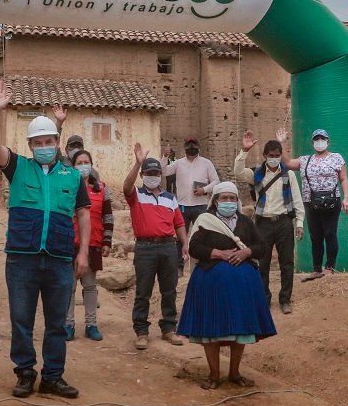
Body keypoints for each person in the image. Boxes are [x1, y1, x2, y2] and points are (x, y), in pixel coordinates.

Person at [0, 80, 90, 399]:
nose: (43, 146)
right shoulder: (17, 167)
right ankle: (25, 372)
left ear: (57, 142)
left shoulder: (72, 176)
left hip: (60, 259)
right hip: (22, 258)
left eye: (49, 140)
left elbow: (83, 214)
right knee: (22, 319)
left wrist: (83, 252)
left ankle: (53, 376)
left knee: (57, 322)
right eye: (38, 142)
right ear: (30, 146)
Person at [178, 182, 276, 389]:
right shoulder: (205, 221)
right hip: (210, 284)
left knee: (239, 330)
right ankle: (214, 375)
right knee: (211, 330)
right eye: (224, 198)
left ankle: (234, 373)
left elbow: (261, 247)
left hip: (242, 288)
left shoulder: (245, 222)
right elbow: (195, 247)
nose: (229, 202)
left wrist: (245, 252)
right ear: (215, 201)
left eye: (232, 198)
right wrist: (219, 254)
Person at [124, 145, 189, 350]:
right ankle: (141, 332)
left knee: (169, 289)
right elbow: (126, 187)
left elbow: (179, 223)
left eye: (156, 173)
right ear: (143, 175)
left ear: (161, 175)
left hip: (169, 247)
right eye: (149, 173)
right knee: (143, 291)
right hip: (145, 248)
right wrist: (137, 163)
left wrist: (185, 244)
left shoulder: (170, 198)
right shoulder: (136, 195)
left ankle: (169, 328)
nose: (153, 176)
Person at [234, 131, 305, 313]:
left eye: (277, 156)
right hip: (263, 224)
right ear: (265, 156)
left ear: (281, 156)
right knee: (262, 263)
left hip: (283, 222)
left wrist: (299, 223)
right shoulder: (257, 173)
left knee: (287, 263)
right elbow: (238, 172)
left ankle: (285, 299)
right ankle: (264, 298)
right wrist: (244, 150)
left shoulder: (288, 175)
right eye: (271, 156)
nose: (274, 159)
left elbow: (297, 199)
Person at [278, 128, 348, 280]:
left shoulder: (336, 158)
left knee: (330, 234)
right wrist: (282, 143)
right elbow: (288, 162)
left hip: (332, 201)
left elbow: (344, 179)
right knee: (315, 236)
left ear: (328, 141)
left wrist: (346, 198)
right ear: (312, 143)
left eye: (322, 139)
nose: (320, 142)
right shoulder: (305, 160)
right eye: (317, 139)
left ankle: (330, 267)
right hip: (311, 202)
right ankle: (316, 268)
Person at [65, 149, 113, 342]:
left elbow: (107, 216)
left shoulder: (101, 188)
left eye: (86, 161)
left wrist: (107, 241)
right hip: (69, 243)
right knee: (69, 286)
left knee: (90, 286)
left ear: (91, 165)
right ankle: (68, 325)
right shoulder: (67, 187)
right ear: (73, 166)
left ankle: (91, 325)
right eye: (79, 162)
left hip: (93, 243)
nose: (83, 165)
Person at [162, 137, 219, 230]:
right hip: (182, 206)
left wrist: (204, 190)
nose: (191, 147)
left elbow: (216, 182)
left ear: (198, 147)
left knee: (202, 234)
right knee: (181, 235)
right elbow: (164, 172)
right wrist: (164, 157)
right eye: (189, 145)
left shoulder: (207, 163)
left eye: (193, 145)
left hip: (201, 206)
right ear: (185, 147)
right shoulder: (178, 163)